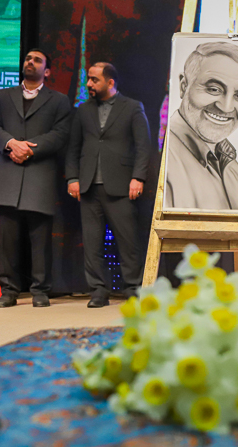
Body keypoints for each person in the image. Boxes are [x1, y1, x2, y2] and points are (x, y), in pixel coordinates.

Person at [0, 48, 71, 308]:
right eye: (27, 59)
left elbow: (60, 134)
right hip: (8, 174)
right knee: (7, 239)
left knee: (40, 239)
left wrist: (29, 149)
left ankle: (40, 290)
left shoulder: (58, 100)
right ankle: (8, 290)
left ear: (47, 71)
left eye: (37, 60)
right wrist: (11, 143)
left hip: (39, 174)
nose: (30, 62)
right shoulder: (3, 96)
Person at [66, 62, 150, 308]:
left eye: (94, 80)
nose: (89, 84)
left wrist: (138, 177)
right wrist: (72, 178)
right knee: (92, 243)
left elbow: (143, 146)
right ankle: (98, 291)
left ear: (110, 82)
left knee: (128, 241)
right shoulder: (83, 110)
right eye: (89, 79)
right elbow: (73, 147)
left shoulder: (132, 107)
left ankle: (133, 288)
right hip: (89, 186)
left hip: (122, 185)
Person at [165, 41, 238, 211]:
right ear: (183, 86)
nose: (226, 107)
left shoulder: (226, 160)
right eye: (214, 89)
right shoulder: (164, 158)